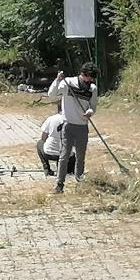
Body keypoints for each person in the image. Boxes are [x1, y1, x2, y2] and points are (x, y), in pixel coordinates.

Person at [47, 62, 99, 193]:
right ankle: (59, 185)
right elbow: (51, 94)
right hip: (68, 126)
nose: (90, 80)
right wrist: (57, 80)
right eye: (89, 77)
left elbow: (93, 106)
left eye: (92, 78)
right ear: (82, 74)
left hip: (82, 127)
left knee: (80, 157)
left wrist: (90, 112)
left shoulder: (92, 88)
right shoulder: (68, 83)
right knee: (64, 156)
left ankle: (79, 182)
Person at [37, 102, 75, 177]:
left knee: (39, 143)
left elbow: (43, 138)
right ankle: (68, 170)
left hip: (49, 153)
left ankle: (46, 168)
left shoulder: (51, 119)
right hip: (67, 155)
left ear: (58, 109)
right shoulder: (72, 120)